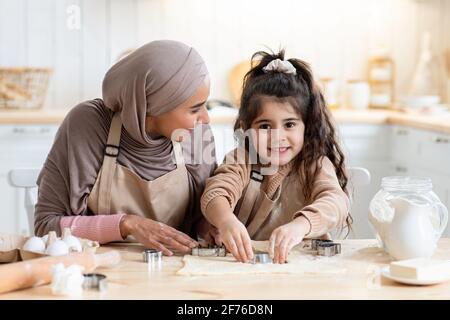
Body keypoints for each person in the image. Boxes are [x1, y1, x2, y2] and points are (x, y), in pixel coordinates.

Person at [34, 40, 217, 256]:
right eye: (195, 109)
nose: (206, 118)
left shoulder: (198, 135)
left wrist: (213, 227)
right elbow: (46, 227)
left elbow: (200, 221)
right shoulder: (88, 125)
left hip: (175, 270)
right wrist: (126, 224)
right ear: (153, 105)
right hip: (100, 269)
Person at [200, 49, 351, 264]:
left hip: (303, 266)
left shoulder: (315, 164)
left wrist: (301, 226)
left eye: (289, 124)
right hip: (244, 265)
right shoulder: (242, 159)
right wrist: (225, 221)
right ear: (246, 128)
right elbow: (216, 193)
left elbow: (336, 202)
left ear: (306, 126)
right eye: (265, 126)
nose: (277, 137)